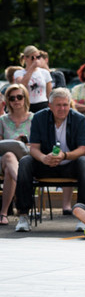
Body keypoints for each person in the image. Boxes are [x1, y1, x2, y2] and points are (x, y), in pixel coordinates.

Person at [14, 88, 85, 232]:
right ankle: (23, 216)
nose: (62, 108)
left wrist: (65, 155)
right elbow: (34, 148)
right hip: (45, 164)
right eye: (58, 105)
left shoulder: (78, 118)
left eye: (65, 104)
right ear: (50, 106)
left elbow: (84, 149)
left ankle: (84, 216)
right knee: (25, 161)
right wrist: (44, 158)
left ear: (70, 104)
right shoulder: (39, 117)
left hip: (70, 164)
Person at [0, 84, 33, 225]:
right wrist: (12, 142)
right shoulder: (2, 120)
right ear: (7, 101)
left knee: (9, 169)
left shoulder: (35, 119)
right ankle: (23, 186)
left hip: (27, 160)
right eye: (12, 98)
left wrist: (24, 144)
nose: (16, 100)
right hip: (3, 159)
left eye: (19, 97)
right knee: (8, 155)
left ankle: (3, 213)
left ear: (25, 98)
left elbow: (40, 145)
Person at [14, 45, 52, 113]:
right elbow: (22, 85)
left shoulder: (45, 72)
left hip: (43, 105)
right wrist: (32, 67)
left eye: (38, 57)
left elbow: (49, 93)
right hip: (27, 105)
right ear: (25, 58)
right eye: (33, 57)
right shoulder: (19, 73)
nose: (35, 59)